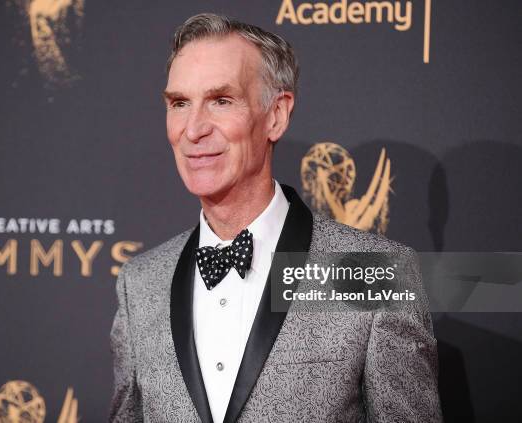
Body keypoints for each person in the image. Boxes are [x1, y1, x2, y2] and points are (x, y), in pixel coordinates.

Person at [109, 13, 442, 423]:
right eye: (179, 103)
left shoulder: (372, 273)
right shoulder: (140, 284)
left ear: (276, 116)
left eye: (221, 101)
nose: (193, 129)